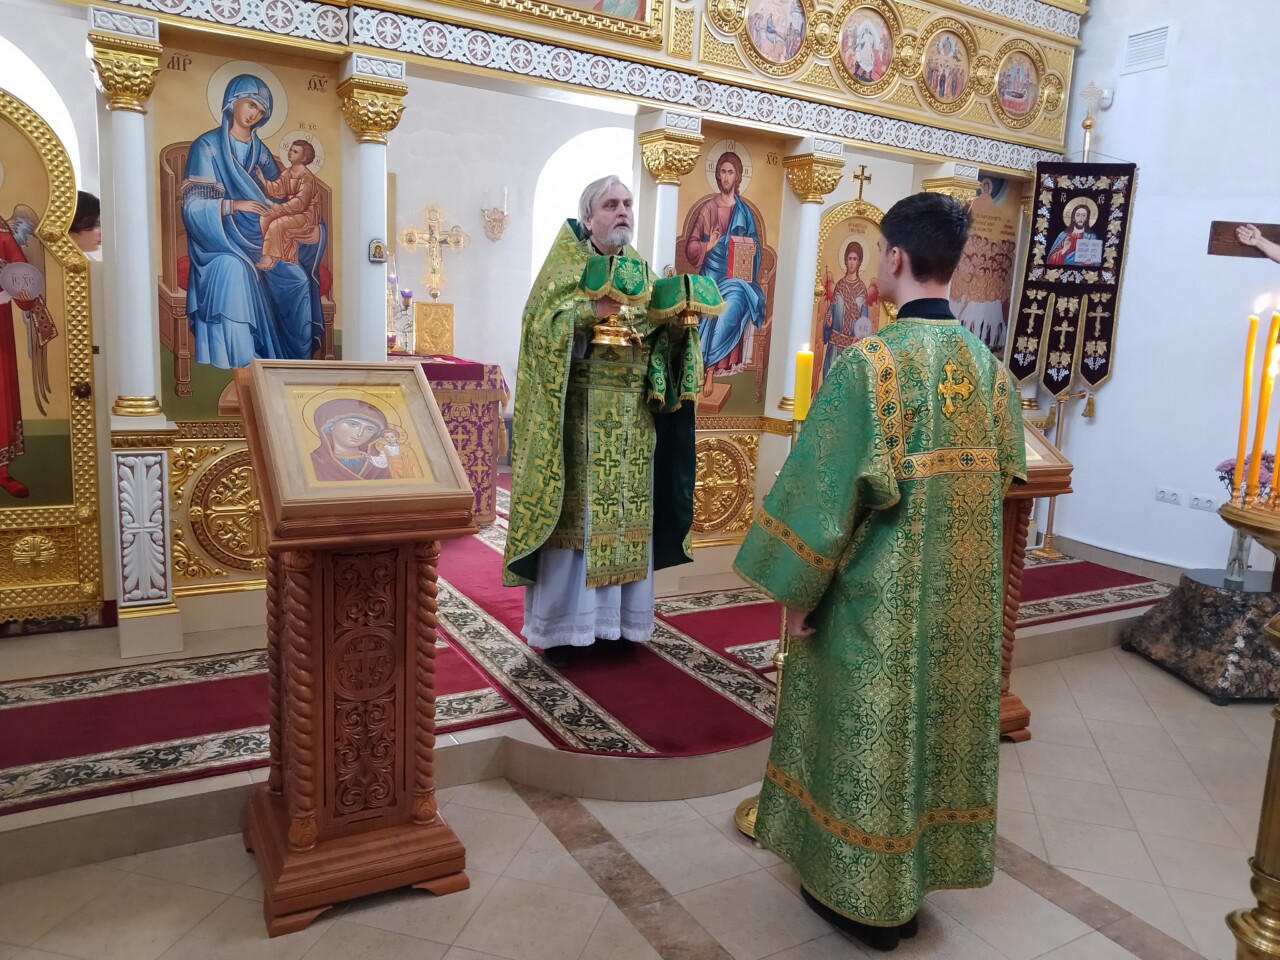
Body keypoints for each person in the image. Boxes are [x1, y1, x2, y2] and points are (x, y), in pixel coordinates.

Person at [733, 192, 1026, 952]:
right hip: (958, 607)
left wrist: (798, 594)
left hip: (875, 601)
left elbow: (824, 493)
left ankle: (860, 895)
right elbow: (1008, 479)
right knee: (929, 731)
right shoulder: (992, 373)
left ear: (893, 257)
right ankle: (912, 882)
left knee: (868, 733)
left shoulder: (871, 366)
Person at [504, 175, 702, 668]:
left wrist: (678, 327)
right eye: (611, 204)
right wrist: (589, 311)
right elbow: (538, 331)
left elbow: (656, 347)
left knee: (626, 524)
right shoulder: (564, 267)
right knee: (579, 529)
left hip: (633, 426)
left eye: (627, 203)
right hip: (578, 425)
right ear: (588, 217)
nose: (623, 211)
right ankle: (566, 632)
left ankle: (617, 627)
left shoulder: (640, 272)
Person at [181, 74, 326, 369]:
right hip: (221, 243)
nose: (253, 115)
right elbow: (193, 209)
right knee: (236, 271)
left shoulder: (261, 154)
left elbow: (287, 197)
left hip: (264, 239)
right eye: (250, 104)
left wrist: (317, 231)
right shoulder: (207, 147)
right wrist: (233, 205)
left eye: (260, 111)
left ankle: (296, 368)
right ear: (232, 102)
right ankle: (245, 367)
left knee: (297, 280)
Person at [682, 151, 767, 375]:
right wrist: (708, 245)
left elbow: (755, 245)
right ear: (718, 175)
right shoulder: (708, 209)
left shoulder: (744, 212)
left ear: (737, 177)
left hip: (735, 276)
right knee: (711, 306)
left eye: (731, 172)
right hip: (710, 276)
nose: (727, 177)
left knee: (734, 302)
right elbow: (690, 247)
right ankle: (703, 369)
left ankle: (709, 368)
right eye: (723, 172)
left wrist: (750, 249)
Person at [256, 140, 322, 271]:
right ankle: (273, 254)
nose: (290, 153)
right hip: (291, 210)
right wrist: (263, 180)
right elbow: (278, 189)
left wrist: (281, 208)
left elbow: (301, 202)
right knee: (265, 217)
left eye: (295, 152)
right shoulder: (287, 172)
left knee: (277, 224)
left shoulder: (307, 177)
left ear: (304, 158)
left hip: (305, 215)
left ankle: (271, 257)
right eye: (291, 150)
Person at [819, 240, 872, 376]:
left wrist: (858, 338)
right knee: (831, 381)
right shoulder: (840, 286)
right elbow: (832, 309)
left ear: (859, 262)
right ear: (845, 261)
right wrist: (829, 321)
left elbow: (864, 320)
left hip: (851, 348)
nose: (852, 262)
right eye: (849, 258)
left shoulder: (862, 290)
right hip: (835, 345)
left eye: (855, 259)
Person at [310, 397, 392, 481]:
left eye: (370, 429)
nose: (360, 433)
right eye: (353, 424)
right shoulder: (313, 462)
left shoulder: (381, 463)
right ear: (331, 425)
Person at [1047, 200, 1100, 266]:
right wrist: (1064, 250)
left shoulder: (1091, 237)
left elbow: (1096, 261)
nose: (1080, 218)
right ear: (1073, 218)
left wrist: (1091, 262)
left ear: (1087, 218)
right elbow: (1050, 260)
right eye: (1078, 215)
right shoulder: (1063, 235)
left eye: (1084, 215)